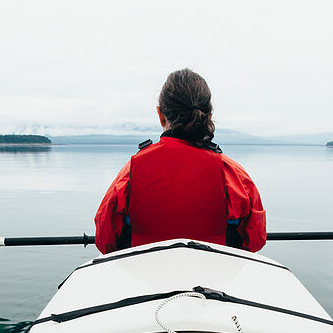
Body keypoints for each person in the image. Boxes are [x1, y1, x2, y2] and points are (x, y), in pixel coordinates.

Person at [94, 69, 266, 254]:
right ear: (208, 115)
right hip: (214, 276)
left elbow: (105, 240)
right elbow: (255, 240)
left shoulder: (131, 173)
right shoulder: (232, 174)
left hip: (147, 276)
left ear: (161, 116)